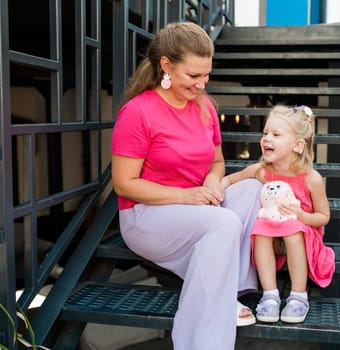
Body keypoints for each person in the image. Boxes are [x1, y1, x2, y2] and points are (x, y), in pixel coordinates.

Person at [111, 22, 262, 350]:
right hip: (147, 215)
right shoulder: (137, 113)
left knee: (252, 190)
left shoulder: (205, 108)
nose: (202, 84)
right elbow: (123, 184)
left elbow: (217, 163)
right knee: (224, 223)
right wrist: (186, 195)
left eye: (206, 75)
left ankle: (228, 292)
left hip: (196, 207)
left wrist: (212, 183)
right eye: (193, 76)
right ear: (165, 64)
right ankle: (202, 342)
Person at [221, 104, 336, 323]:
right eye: (265, 133)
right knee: (260, 227)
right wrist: (217, 187)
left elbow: (323, 217)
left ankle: (298, 296)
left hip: (302, 232)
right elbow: (230, 179)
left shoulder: (311, 178)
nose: (266, 139)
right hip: (272, 233)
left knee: (292, 230)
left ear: (298, 146)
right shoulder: (262, 171)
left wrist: (301, 216)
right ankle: (270, 295)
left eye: (276, 134)